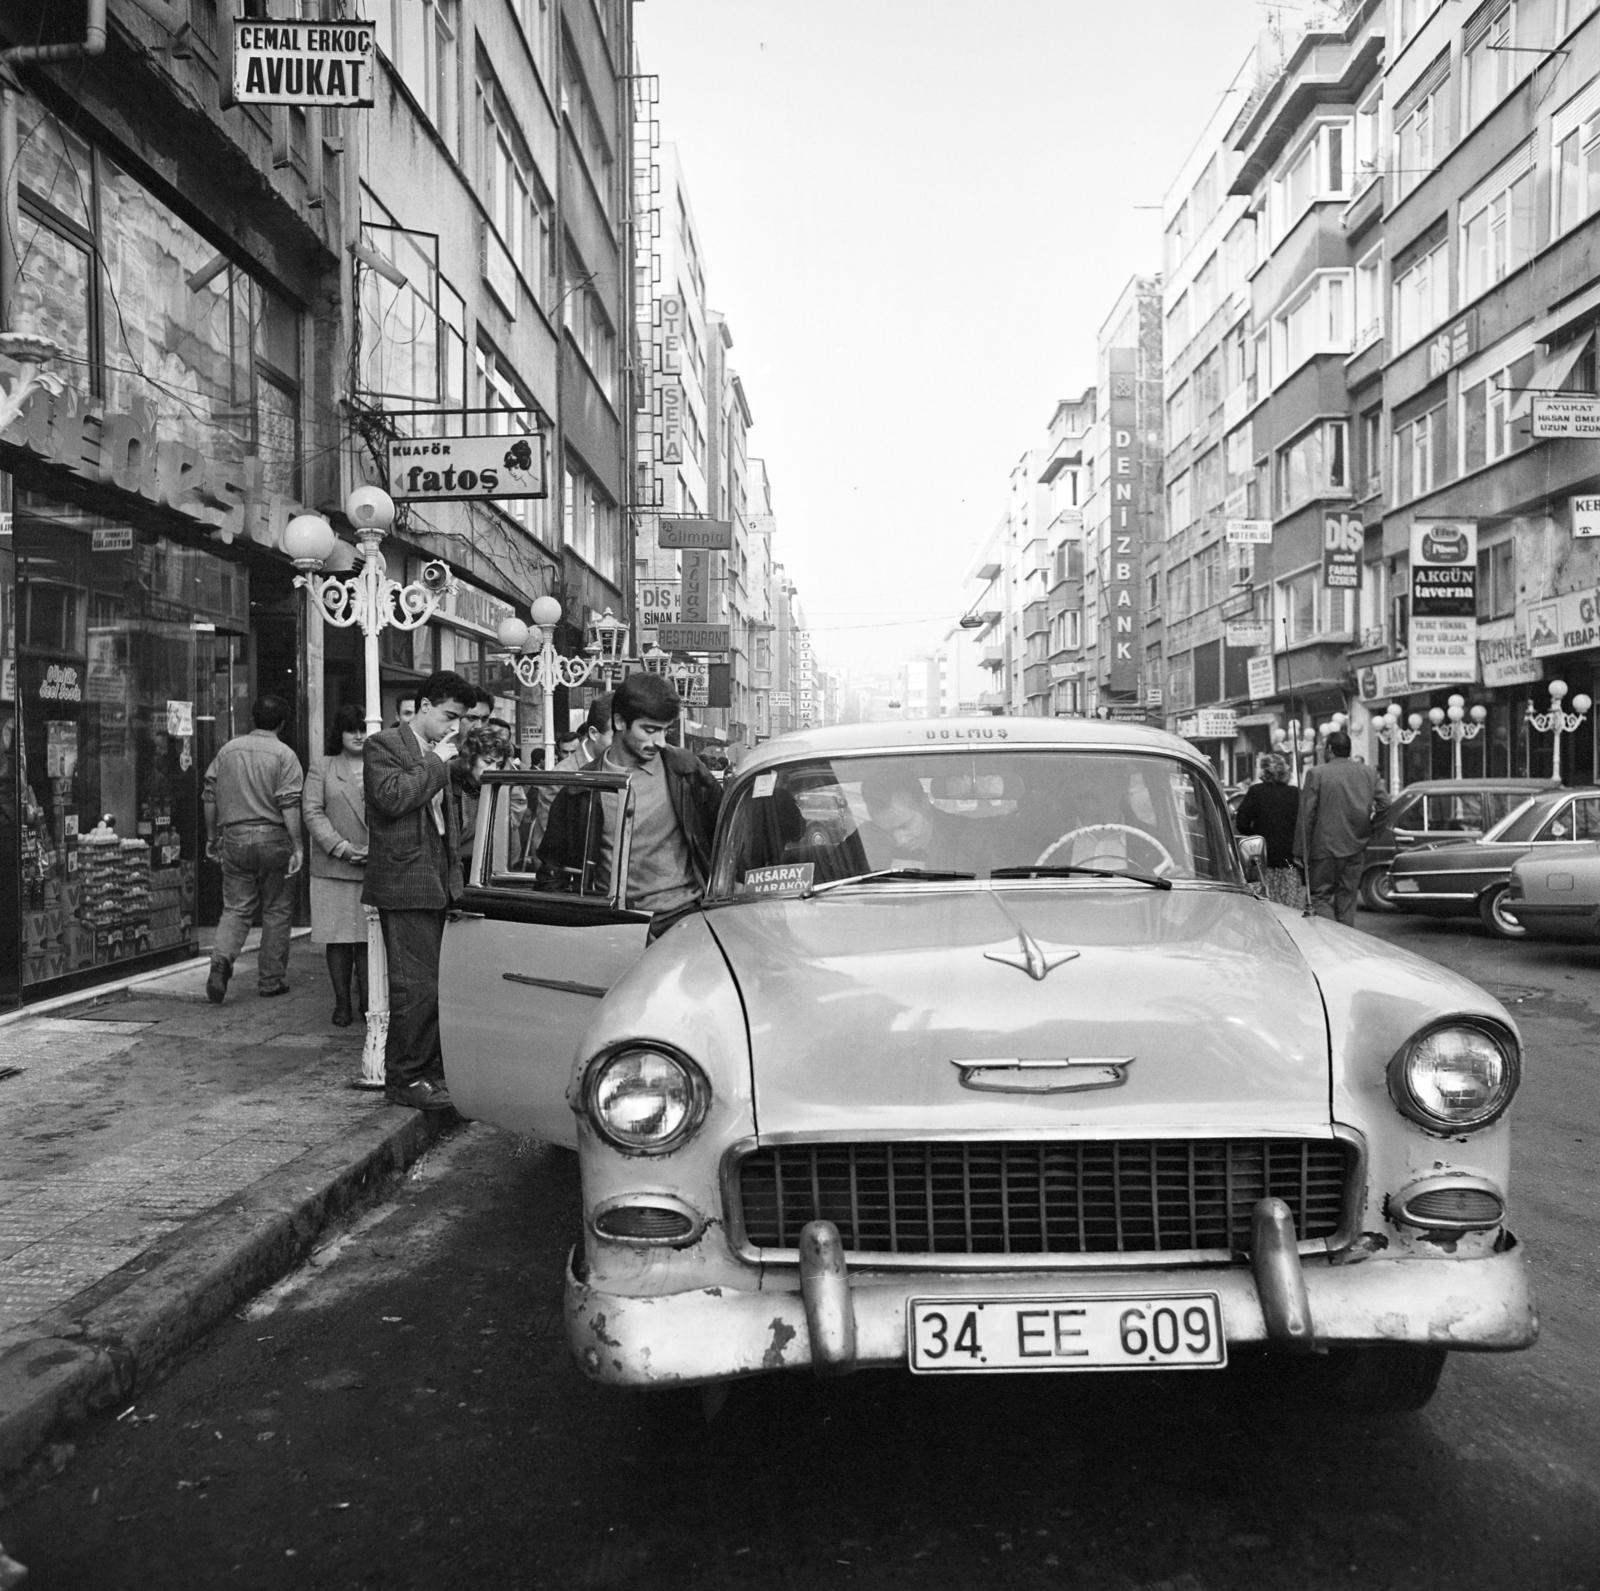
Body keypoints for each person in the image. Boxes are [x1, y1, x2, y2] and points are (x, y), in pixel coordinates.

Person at [362, 669, 475, 1111]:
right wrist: (436, 763)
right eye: (449, 715)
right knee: (415, 987)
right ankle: (405, 1079)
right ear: (425, 706)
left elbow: (448, 827)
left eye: (461, 719)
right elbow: (391, 798)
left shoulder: (438, 753)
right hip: (403, 883)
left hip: (435, 883)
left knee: (433, 986)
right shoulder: (384, 746)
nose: (455, 726)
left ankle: (425, 1072)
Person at [203, 694, 305, 1003]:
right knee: (277, 909)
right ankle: (271, 981)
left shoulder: (228, 750)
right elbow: (289, 804)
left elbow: (209, 795)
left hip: (234, 837)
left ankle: (221, 961)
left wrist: (212, 835)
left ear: (252, 719)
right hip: (274, 839)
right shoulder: (285, 755)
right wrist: (298, 845)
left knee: (236, 907)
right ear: (283, 724)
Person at [592, 673, 723, 914]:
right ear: (620, 722)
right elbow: (555, 871)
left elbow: (724, 834)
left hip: (683, 916)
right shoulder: (582, 786)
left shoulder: (685, 769)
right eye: (650, 730)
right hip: (610, 924)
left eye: (665, 731)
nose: (660, 741)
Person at [303, 704, 369, 1027]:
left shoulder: (380, 765)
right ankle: (342, 1003)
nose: (358, 736)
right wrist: (341, 848)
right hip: (334, 868)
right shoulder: (323, 767)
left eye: (363, 729)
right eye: (351, 730)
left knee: (369, 940)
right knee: (339, 938)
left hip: (373, 864)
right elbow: (313, 812)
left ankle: (370, 1002)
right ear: (338, 734)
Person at [1295, 730, 1392, 927]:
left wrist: (1299, 850)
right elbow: (1385, 804)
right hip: (1356, 845)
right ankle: (1344, 943)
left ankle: (1329, 937)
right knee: (1347, 900)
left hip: (1324, 848)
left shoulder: (1317, 773)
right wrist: (1373, 831)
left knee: (1319, 898)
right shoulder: (1368, 772)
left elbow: (1306, 815)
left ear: (1330, 749)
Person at [860, 768, 969, 872]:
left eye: (905, 826)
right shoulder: (865, 840)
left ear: (925, 804)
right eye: (886, 831)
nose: (899, 841)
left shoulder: (971, 841)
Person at [1234, 753, 1303, 908]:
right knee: (1289, 908)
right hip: (1289, 862)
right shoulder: (1295, 793)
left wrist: (1256, 834)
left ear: (1264, 771)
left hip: (1261, 860)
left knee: (1262, 907)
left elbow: (1242, 823)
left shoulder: (1256, 791)